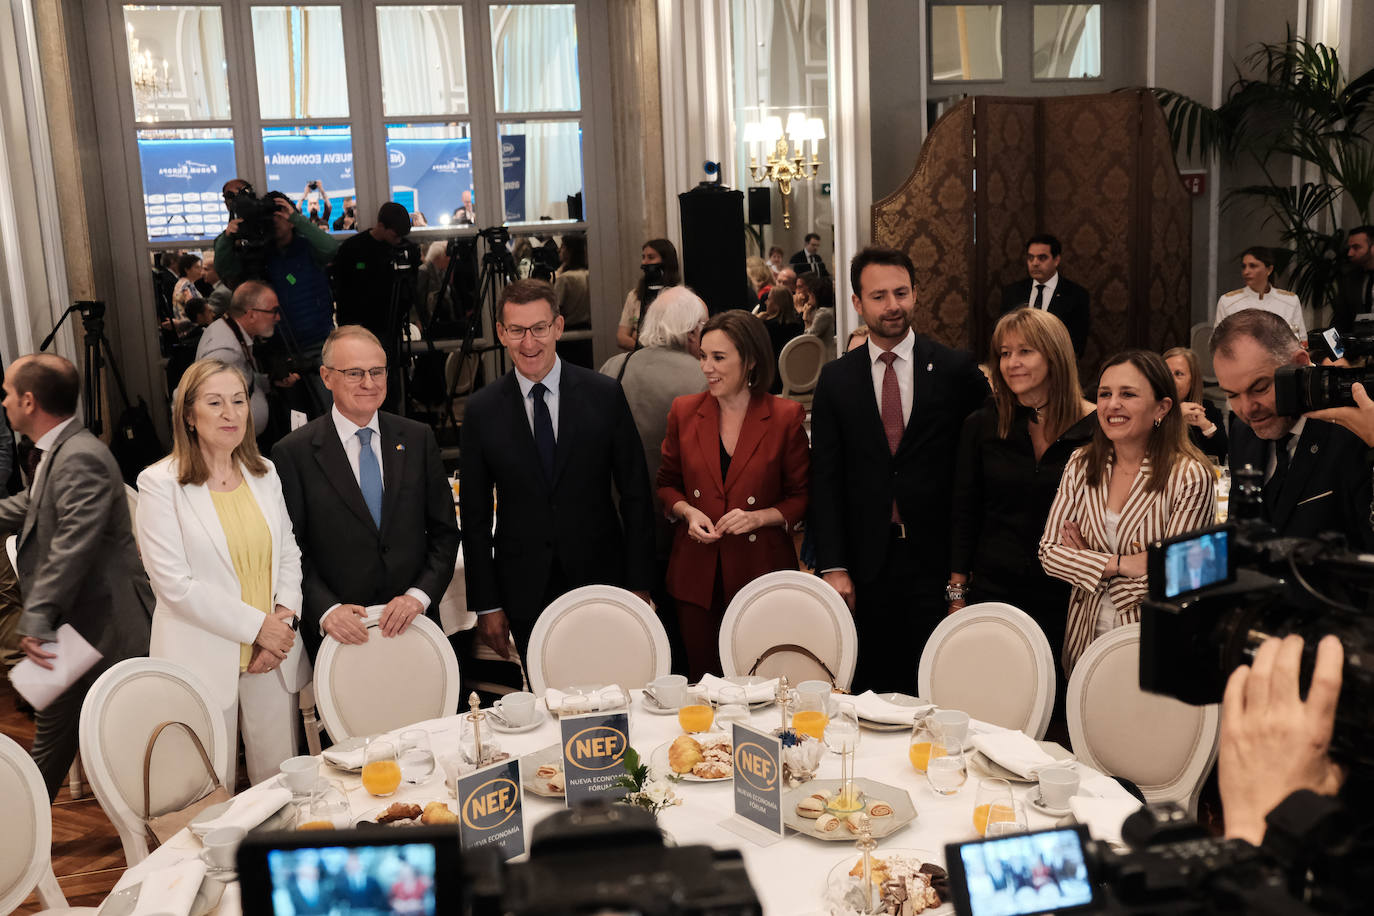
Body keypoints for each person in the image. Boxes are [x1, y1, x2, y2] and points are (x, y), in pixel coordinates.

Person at [810, 246, 990, 692]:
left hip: (935, 559)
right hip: (865, 562)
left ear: (915, 294)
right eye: (879, 296)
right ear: (857, 303)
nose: (893, 305)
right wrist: (832, 565)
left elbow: (994, 438)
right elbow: (825, 478)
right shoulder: (836, 378)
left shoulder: (953, 368)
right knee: (870, 685)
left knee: (935, 683)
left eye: (901, 292)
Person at [462, 279, 656, 657]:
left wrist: (640, 583)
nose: (529, 343)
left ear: (558, 327)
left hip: (602, 580)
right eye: (517, 330)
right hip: (523, 588)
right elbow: (474, 516)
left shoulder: (604, 395)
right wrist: (487, 604)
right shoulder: (482, 411)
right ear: (501, 333)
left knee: (612, 693)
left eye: (539, 328)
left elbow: (636, 495)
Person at [136, 359, 308, 785]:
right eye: (215, 403)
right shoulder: (159, 484)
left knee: (278, 782)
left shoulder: (264, 472)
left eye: (238, 401)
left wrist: (283, 624)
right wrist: (259, 628)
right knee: (208, 790)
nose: (231, 413)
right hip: (202, 656)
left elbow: (288, 552)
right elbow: (174, 586)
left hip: (273, 656)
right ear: (189, 416)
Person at [0, 354, 152, 798]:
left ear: (29, 401)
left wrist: (37, 618)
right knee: (52, 734)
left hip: (106, 626)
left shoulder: (81, 456)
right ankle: (19, 835)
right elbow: (31, 507)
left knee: (136, 743)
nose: (4, 401)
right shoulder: (60, 450)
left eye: (8, 393)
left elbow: (72, 546)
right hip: (75, 629)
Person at [273, 326, 459, 660]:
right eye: (355, 373)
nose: (369, 383)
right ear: (326, 377)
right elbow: (291, 550)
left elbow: (445, 532)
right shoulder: (294, 453)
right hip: (342, 638)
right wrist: (327, 610)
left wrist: (418, 596)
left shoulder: (417, 438)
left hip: (416, 627)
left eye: (376, 372)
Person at [1039, 350, 1215, 673]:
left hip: (1153, 644)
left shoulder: (1190, 475)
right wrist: (1118, 564)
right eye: (1105, 394)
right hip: (1083, 641)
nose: (1111, 404)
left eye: (1128, 394)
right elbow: (1049, 553)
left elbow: (1184, 575)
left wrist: (1086, 562)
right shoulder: (1081, 462)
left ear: (1162, 407)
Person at [658, 310, 809, 679]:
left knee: (763, 684)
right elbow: (666, 484)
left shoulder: (785, 416)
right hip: (697, 575)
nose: (707, 367)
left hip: (761, 570)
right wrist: (687, 512)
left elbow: (802, 495)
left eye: (719, 358)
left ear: (751, 359)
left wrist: (760, 517)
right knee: (706, 684)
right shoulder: (684, 411)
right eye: (703, 356)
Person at [949, 308, 1097, 683]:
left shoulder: (1097, 430)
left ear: (1054, 356)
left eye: (1025, 351)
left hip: (1067, 594)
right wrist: (956, 594)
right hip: (994, 588)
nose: (1011, 363)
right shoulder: (983, 424)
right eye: (1004, 352)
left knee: (1061, 706)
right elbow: (964, 513)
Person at [1211, 308, 1372, 547]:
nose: (1247, 409)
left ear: (1300, 363)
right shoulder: (1242, 432)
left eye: (1260, 388)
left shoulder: (1354, 427)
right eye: (1233, 394)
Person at [196, 281, 299, 447]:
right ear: (251, 315)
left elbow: (241, 382)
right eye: (273, 311)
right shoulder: (224, 352)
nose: (278, 317)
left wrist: (268, 382)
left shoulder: (228, 331)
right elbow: (207, 404)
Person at [331, 202, 415, 347]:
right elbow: (342, 288)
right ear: (381, 226)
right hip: (357, 326)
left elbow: (411, 289)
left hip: (390, 324)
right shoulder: (353, 248)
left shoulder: (404, 250)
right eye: (395, 236)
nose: (398, 241)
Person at [1000, 234, 1090, 358]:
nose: (1035, 263)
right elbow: (1003, 334)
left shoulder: (1076, 295)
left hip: (1057, 367)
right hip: (1018, 363)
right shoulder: (1012, 292)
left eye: (1042, 258)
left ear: (1056, 260)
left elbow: (1077, 344)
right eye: (1030, 258)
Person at [1214, 246, 1305, 340]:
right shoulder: (1228, 301)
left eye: (1252, 266)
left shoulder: (1290, 301)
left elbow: (1301, 340)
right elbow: (1217, 341)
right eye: (1243, 266)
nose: (1246, 272)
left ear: (1269, 270)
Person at [1163, 346, 1227, 463]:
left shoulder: (1207, 409)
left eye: (1178, 374)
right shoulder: (1149, 408)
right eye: (1166, 373)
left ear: (1193, 381)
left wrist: (1206, 426)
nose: (1170, 380)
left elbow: (1222, 460)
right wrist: (1174, 417)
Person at [617, 239, 680, 351]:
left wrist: (639, 339)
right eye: (643, 257)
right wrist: (643, 349)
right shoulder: (634, 295)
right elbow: (621, 337)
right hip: (640, 360)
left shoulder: (680, 297)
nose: (644, 262)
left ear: (665, 261)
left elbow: (678, 340)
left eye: (651, 257)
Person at [760, 287, 804, 392]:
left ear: (777, 303)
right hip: (797, 377)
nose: (766, 302)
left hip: (773, 380)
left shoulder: (767, 327)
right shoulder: (799, 324)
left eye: (769, 299)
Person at [1333, 225, 1374, 333]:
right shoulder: (1350, 278)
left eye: (1356, 247)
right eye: (1350, 248)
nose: (1350, 253)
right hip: (1358, 345)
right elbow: (1341, 319)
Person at [798, 271, 836, 345]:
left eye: (810, 295)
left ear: (816, 295)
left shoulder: (824, 313)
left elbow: (807, 338)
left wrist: (805, 318)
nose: (808, 298)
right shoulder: (817, 310)